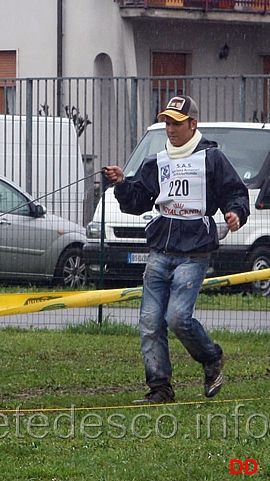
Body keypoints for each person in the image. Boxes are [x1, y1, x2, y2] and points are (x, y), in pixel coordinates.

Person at [103, 95, 250, 404]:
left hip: (194, 253)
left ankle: (212, 358)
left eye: (176, 123)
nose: (170, 128)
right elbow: (136, 202)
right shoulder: (156, 161)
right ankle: (160, 388)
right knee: (150, 323)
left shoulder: (212, 158)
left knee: (178, 318)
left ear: (192, 124)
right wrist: (121, 184)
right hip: (160, 251)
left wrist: (235, 212)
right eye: (167, 122)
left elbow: (234, 191)